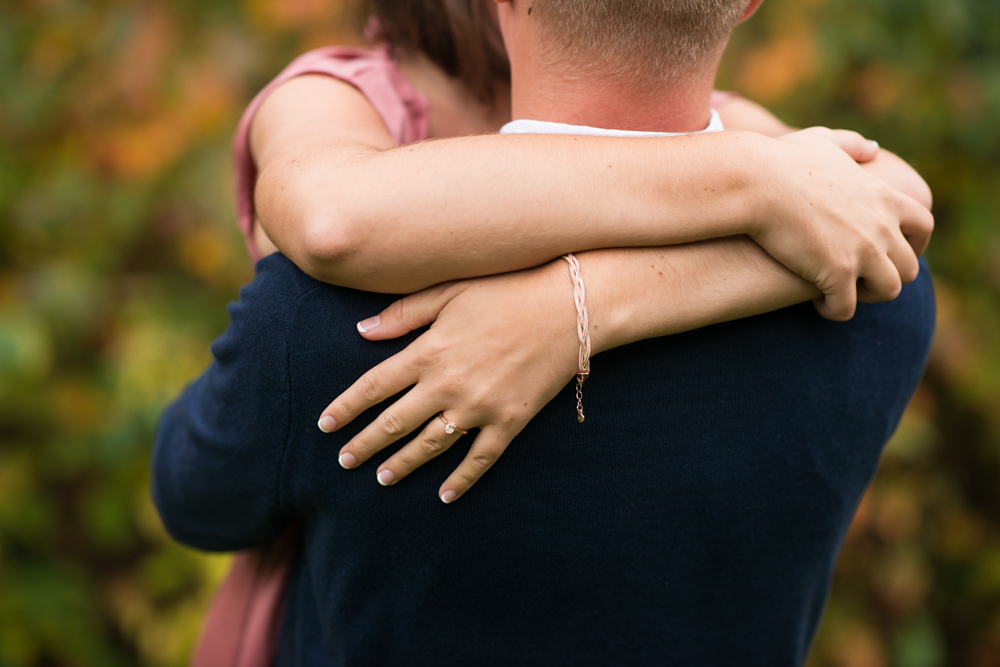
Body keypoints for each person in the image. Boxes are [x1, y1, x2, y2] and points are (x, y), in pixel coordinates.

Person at [155, 0, 935, 664]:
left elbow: (196, 497)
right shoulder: (882, 295)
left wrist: (578, 308)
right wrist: (757, 178)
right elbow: (893, 212)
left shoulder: (338, 328)